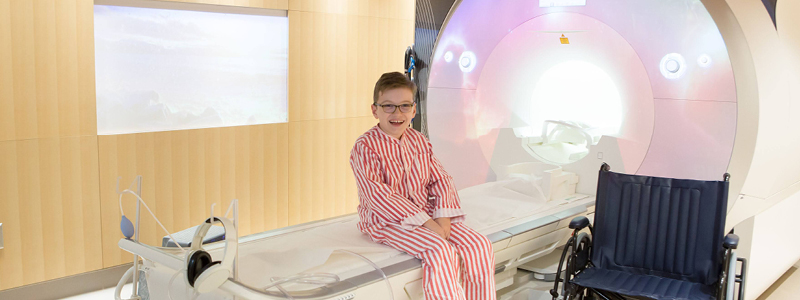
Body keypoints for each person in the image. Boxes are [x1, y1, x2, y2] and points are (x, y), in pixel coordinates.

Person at [350, 72, 496, 300]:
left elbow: (441, 179)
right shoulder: (365, 147)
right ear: (374, 110)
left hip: (426, 214)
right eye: (388, 106)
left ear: (414, 110)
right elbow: (379, 196)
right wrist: (429, 224)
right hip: (387, 221)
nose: (397, 114)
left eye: (404, 106)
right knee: (441, 250)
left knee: (479, 244)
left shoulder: (419, 140)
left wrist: (443, 217)